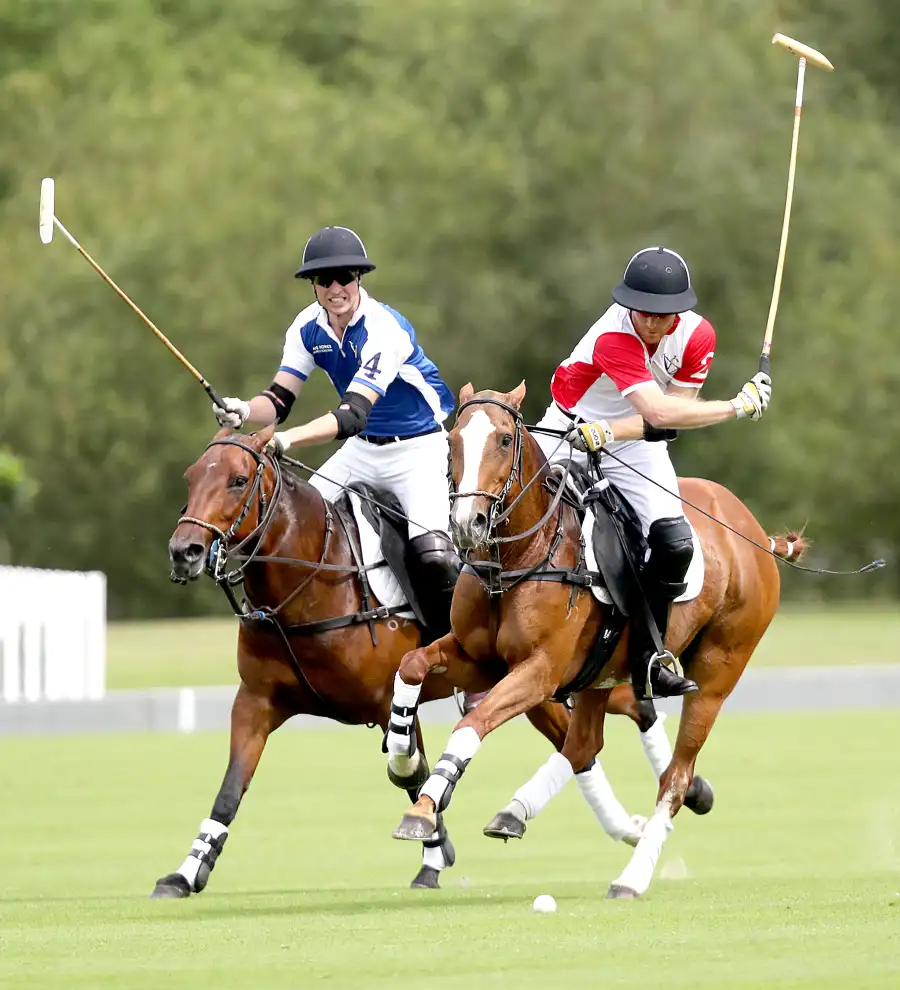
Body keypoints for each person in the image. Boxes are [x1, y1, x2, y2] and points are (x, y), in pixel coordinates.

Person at [533, 246, 771, 699]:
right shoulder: (612, 336)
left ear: (681, 311)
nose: (652, 322)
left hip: (630, 441)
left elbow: (671, 417)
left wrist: (613, 431)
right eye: (642, 311)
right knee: (504, 514)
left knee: (673, 542)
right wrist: (736, 406)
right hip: (564, 428)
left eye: (664, 314)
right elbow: (659, 410)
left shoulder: (698, 337)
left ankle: (650, 656)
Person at [212, 225, 459, 637]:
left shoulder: (385, 330)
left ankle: (461, 649)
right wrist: (242, 410)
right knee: (293, 526)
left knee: (432, 555)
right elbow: (278, 400)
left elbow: (352, 415)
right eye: (324, 279)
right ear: (313, 285)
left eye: (344, 277)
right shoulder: (307, 328)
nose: (335, 287)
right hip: (364, 450)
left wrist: (287, 440)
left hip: (418, 450)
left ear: (358, 279)